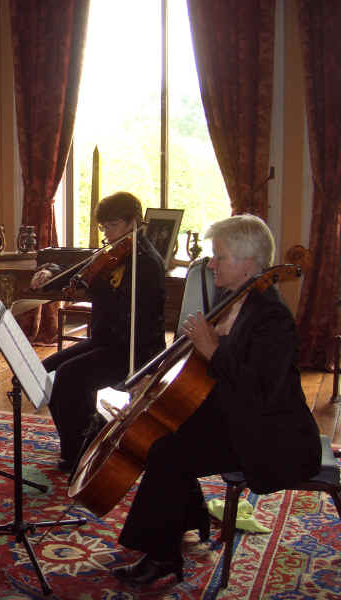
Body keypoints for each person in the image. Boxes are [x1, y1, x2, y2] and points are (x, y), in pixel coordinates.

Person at [112, 214, 321, 585]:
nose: (211, 264)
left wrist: (214, 349)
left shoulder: (273, 317)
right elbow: (215, 372)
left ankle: (162, 557)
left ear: (248, 262)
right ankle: (185, 520)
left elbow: (260, 391)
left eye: (219, 256)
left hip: (270, 435)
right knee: (163, 436)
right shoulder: (236, 300)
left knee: (169, 452)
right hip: (238, 415)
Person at [31, 191, 166, 472]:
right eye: (103, 227)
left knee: (69, 376)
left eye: (113, 225)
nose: (107, 233)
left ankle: (81, 452)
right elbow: (80, 268)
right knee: (47, 369)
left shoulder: (147, 263)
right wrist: (51, 271)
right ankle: (85, 436)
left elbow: (143, 319)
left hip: (133, 349)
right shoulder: (112, 254)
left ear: (134, 222)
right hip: (105, 340)